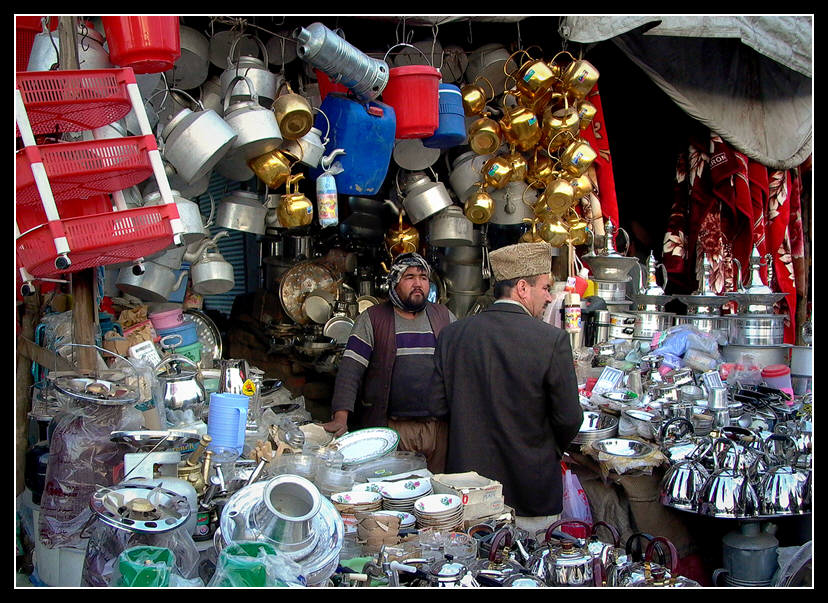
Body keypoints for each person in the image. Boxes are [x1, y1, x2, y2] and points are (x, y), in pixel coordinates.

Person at [431, 241, 583, 538]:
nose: (550, 297)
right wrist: (547, 449)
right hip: (531, 492)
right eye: (545, 288)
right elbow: (569, 418)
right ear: (523, 288)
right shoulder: (551, 340)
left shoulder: (452, 335)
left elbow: (437, 406)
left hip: (469, 495)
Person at [323, 252, 456, 473]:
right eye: (409, 277)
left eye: (423, 277)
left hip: (437, 429)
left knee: (435, 493)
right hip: (391, 429)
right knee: (392, 491)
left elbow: (461, 366)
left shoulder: (443, 316)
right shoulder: (373, 319)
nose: (418, 284)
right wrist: (341, 417)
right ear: (394, 283)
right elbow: (350, 370)